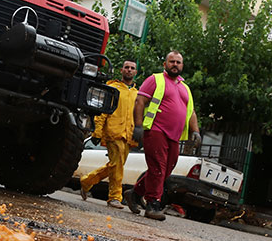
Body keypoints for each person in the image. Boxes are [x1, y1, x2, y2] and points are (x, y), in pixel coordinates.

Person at [124, 51, 201, 221]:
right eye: (171, 61)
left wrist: (196, 131)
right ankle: (153, 204)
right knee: (158, 167)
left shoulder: (185, 88)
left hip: (174, 136)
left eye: (178, 62)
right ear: (165, 64)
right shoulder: (155, 80)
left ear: (182, 66)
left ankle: (135, 194)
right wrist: (138, 126)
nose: (175, 64)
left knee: (166, 169)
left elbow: (191, 112)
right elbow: (140, 102)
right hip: (155, 130)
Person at [79, 61, 139, 209]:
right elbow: (102, 112)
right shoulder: (112, 88)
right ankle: (114, 197)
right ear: (121, 70)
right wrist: (97, 132)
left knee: (115, 166)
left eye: (132, 68)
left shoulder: (137, 94)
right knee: (117, 166)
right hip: (113, 132)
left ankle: (87, 181)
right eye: (126, 67)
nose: (129, 70)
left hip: (129, 135)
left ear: (136, 72)